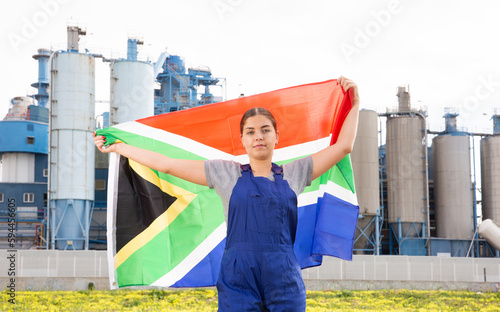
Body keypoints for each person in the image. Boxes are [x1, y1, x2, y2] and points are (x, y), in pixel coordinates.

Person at [94, 76, 360, 312]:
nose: (259, 137)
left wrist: (355, 102)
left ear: (277, 137)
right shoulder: (225, 174)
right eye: (251, 132)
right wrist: (118, 147)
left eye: (266, 130)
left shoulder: (296, 173)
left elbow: (343, 146)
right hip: (238, 281)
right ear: (243, 140)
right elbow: (167, 164)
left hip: (284, 280)